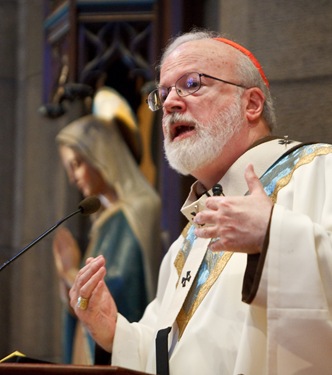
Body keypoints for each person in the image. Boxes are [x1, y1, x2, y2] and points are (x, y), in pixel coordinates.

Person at [68, 29, 332, 374]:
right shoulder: (186, 242)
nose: (171, 104)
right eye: (162, 94)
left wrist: (274, 235)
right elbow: (173, 355)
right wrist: (115, 333)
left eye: (192, 83)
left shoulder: (320, 170)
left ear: (251, 104)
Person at [53, 88, 161, 364]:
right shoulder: (104, 219)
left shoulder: (139, 208)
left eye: (76, 164)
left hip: (125, 349)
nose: (72, 178)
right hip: (91, 346)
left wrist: (70, 272)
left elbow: (123, 285)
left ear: (102, 155)